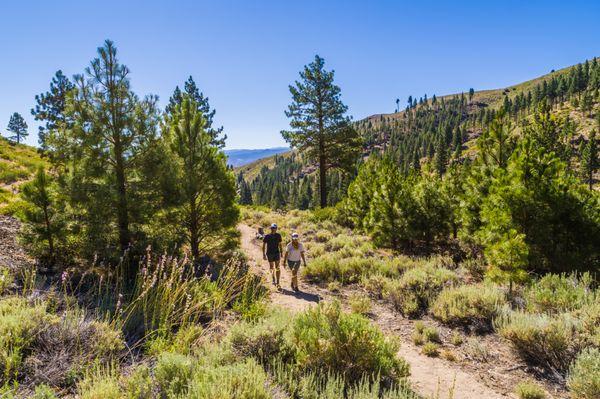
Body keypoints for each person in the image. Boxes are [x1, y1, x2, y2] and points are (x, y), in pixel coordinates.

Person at [262, 223, 283, 289]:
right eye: (272, 228)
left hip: (276, 253)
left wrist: (281, 252)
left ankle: (278, 282)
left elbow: (280, 244)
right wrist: (263, 254)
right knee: (271, 266)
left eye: (275, 228)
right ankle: (273, 276)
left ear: (276, 229)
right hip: (269, 253)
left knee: (277, 267)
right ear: (271, 228)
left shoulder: (278, 235)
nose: (273, 229)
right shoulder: (267, 236)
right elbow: (264, 245)